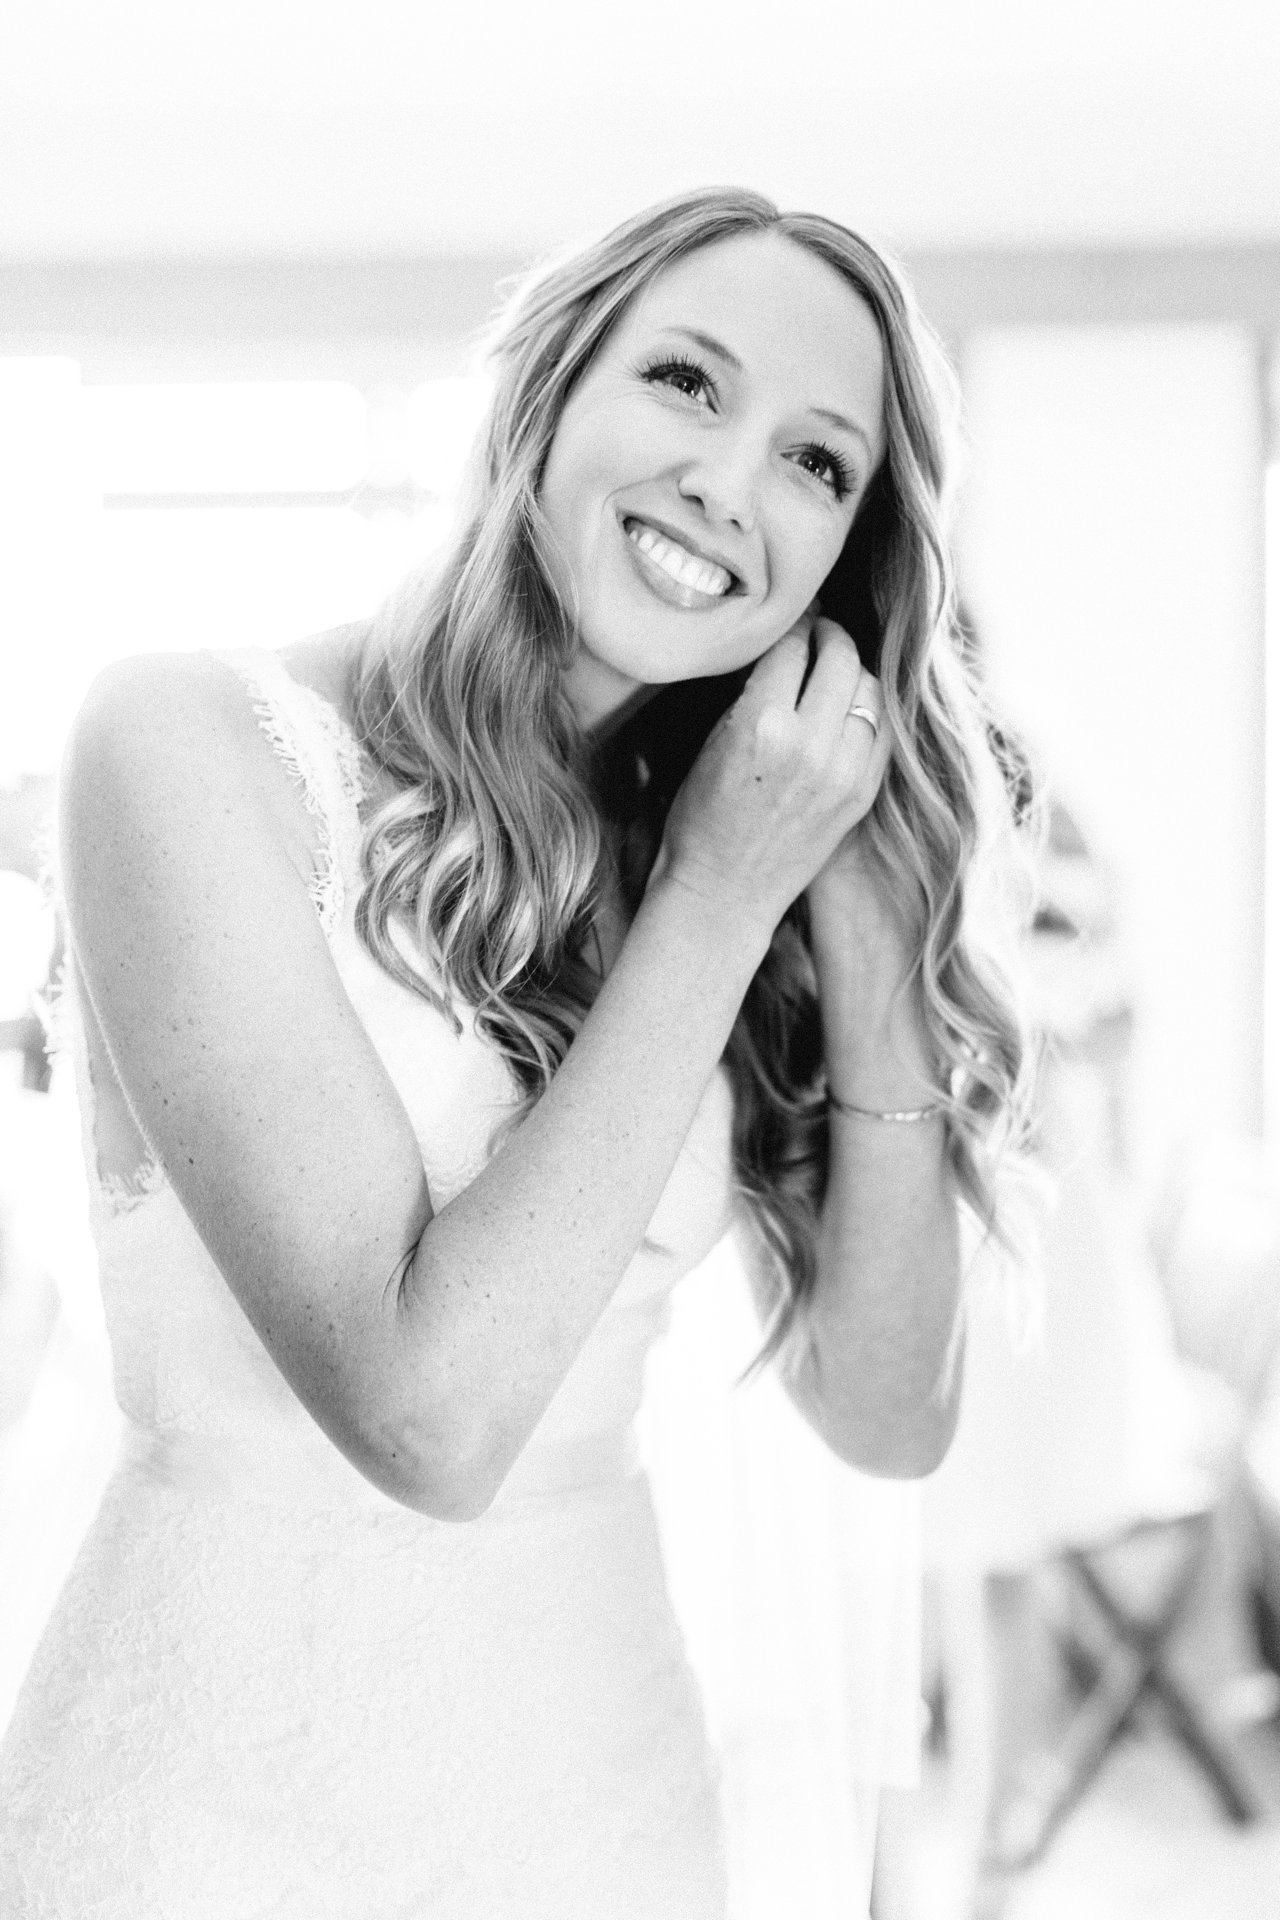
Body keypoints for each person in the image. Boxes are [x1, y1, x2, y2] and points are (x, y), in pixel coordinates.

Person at [0, 186, 1031, 1918]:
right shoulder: (185, 744)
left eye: (817, 462)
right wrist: (721, 889)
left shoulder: (726, 839)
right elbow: (425, 1419)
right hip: (206, 1813)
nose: (728, 480)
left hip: (604, 1795)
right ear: (547, 395)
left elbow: (886, 1417)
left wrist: (864, 945)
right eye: (688, 383)